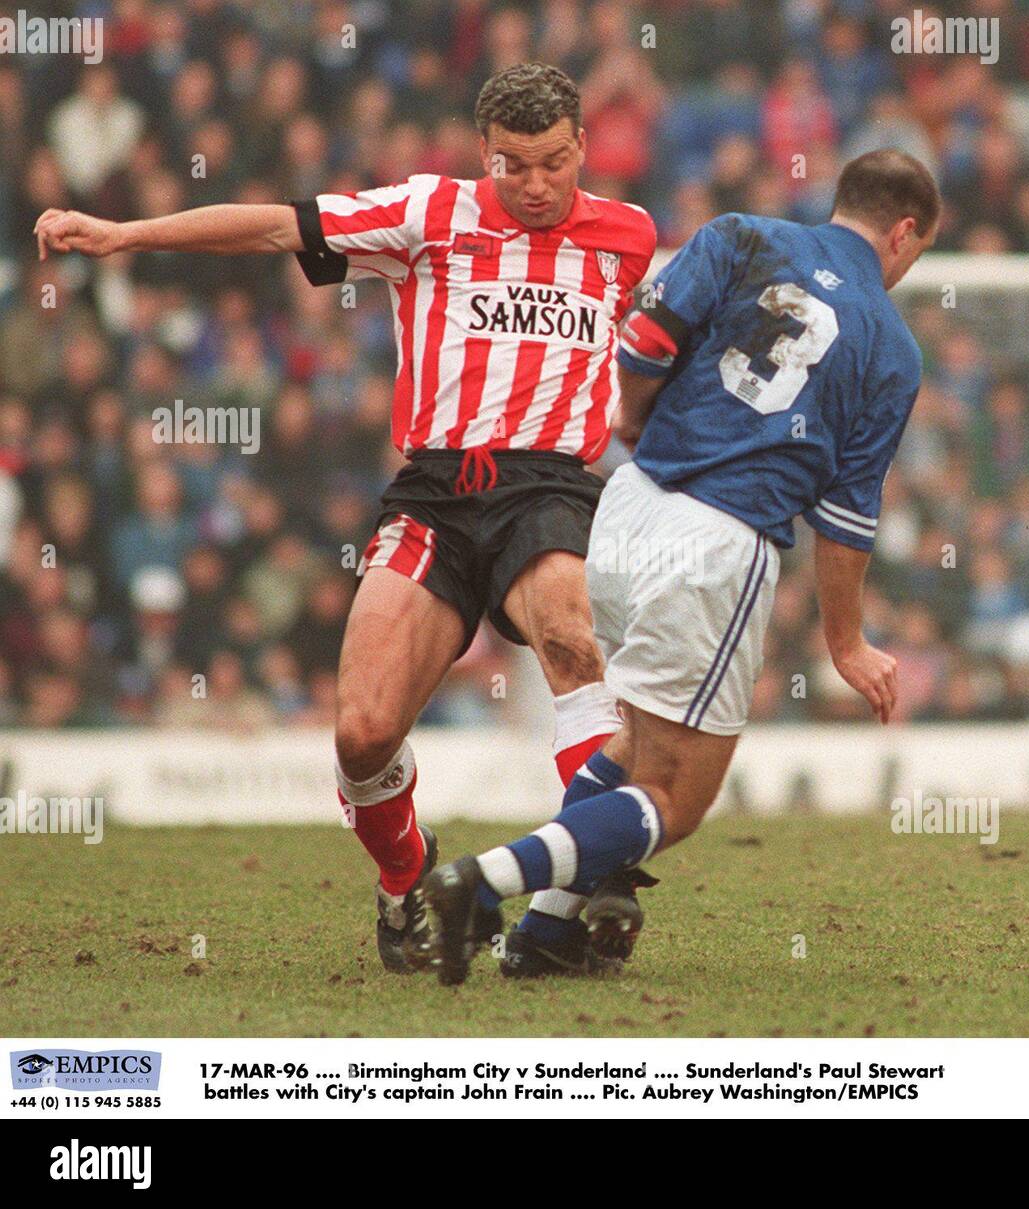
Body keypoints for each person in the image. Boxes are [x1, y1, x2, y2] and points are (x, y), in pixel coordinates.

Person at [35, 62, 660, 974]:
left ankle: (595, 872)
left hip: (552, 488)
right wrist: (128, 232)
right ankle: (406, 875)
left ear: (583, 150)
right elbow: (277, 225)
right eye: (513, 165)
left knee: (571, 635)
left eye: (554, 164)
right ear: (485, 154)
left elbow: (671, 343)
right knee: (362, 732)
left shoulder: (630, 237)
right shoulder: (431, 211)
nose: (534, 185)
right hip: (438, 493)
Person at [423, 148, 940, 985]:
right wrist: (847, 644)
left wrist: (633, 420)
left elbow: (648, 336)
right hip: (720, 543)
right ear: (905, 233)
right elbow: (846, 519)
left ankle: (546, 936)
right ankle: (483, 885)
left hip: (628, 509)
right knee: (680, 797)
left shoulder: (739, 234)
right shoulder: (890, 345)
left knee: (633, 744)